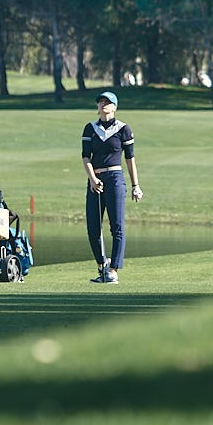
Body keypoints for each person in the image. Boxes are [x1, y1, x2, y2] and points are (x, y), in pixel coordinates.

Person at [81, 90, 141, 284]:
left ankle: (113, 270)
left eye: (107, 102)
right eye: (100, 102)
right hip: (95, 180)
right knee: (93, 228)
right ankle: (102, 266)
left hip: (115, 178)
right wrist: (92, 179)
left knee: (117, 227)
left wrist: (135, 185)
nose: (103, 104)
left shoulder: (123, 129)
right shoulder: (90, 129)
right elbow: (86, 157)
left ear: (114, 107)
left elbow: (130, 159)